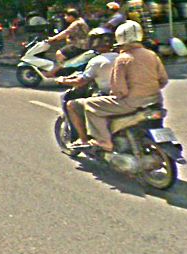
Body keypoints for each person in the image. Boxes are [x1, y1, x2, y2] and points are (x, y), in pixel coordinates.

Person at [69, 20, 168, 151]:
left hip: (131, 103)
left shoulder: (122, 59)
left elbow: (119, 89)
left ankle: (103, 141)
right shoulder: (151, 55)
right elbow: (163, 80)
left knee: (89, 105)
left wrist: (114, 95)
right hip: (155, 101)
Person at [56, 29, 118, 144]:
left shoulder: (96, 60)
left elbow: (81, 81)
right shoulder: (121, 57)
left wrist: (63, 81)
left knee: (72, 105)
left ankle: (84, 140)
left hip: (107, 95)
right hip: (121, 94)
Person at [45, 8, 89, 76]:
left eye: (66, 16)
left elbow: (66, 32)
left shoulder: (76, 23)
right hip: (81, 45)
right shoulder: (80, 21)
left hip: (78, 45)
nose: (65, 18)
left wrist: (52, 39)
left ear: (71, 16)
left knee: (59, 54)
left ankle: (59, 70)